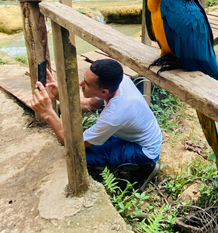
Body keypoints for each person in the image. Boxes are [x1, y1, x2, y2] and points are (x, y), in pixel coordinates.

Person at [31, 59, 163, 191]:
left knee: (79, 156)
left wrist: (48, 113)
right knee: (89, 145)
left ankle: (145, 167)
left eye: (87, 84)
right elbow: (90, 105)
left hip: (144, 151)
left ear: (104, 92)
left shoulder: (114, 115)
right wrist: (60, 95)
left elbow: (72, 144)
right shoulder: (118, 81)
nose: (80, 84)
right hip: (136, 135)